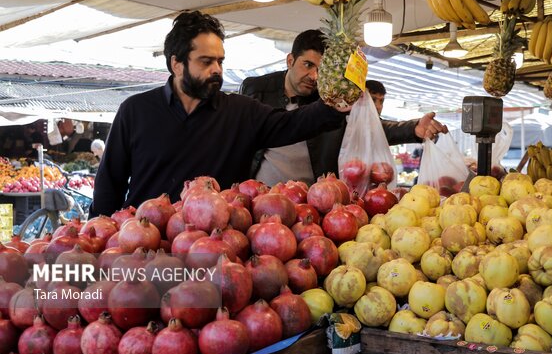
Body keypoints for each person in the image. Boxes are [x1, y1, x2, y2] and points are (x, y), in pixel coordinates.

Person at [89, 11, 357, 218]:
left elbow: (292, 123)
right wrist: (100, 236)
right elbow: (109, 185)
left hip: (217, 253)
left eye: (220, 61)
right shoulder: (135, 111)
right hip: (145, 249)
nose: (217, 69)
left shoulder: (240, 112)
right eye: (206, 62)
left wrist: (333, 106)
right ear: (177, 63)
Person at [240, 29, 448, 186]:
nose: (314, 77)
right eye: (308, 65)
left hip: (313, 202)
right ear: (290, 60)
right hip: (260, 195)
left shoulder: (329, 103)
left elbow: (368, 127)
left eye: (321, 70)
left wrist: (412, 129)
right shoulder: (256, 90)